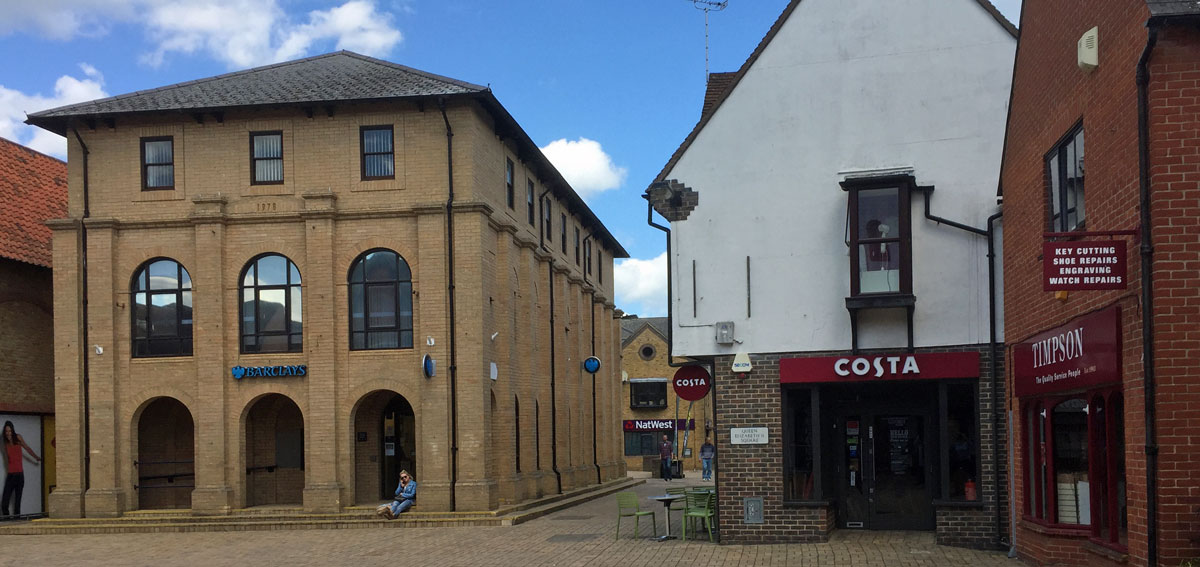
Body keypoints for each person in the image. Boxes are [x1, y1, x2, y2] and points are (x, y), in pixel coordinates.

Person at [2, 420, 41, 517]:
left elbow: (27, 448)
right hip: (11, 475)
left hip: (19, 475)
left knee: (17, 503)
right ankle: (7, 522)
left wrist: (36, 457)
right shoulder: (4, 442)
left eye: (10, 431)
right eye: (6, 431)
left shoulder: (18, 438)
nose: (8, 433)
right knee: (4, 503)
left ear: (12, 431)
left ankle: (16, 522)